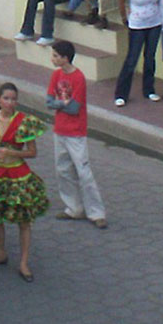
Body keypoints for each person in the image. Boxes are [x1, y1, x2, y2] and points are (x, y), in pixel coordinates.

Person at [0, 82, 48, 281]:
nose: (10, 102)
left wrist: (12, 152)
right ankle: (0, 252)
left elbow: (32, 152)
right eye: (6, 98)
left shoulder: (25, 121)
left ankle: (23, 262)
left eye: (13, 99)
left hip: (18, 174)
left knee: (24, 220)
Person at [46, 40, 107, 228]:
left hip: (76, 132)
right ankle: (74, 208)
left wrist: (61, 104)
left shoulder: (78, 78)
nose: (53, 59)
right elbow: (49, 101)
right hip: (60, 130)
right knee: (63, 170)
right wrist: (62, 104)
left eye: (56, 55)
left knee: (83, 172)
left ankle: (96, 212)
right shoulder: (56, 75)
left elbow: (74, 108)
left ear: (65, 58)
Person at [113, 0, 163, 107]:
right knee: (132, 59)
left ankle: (149, 90)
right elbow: (121, 0)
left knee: (150, 57)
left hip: (155, 23)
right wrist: (124, 18)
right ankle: (121, 94)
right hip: (137, 25)